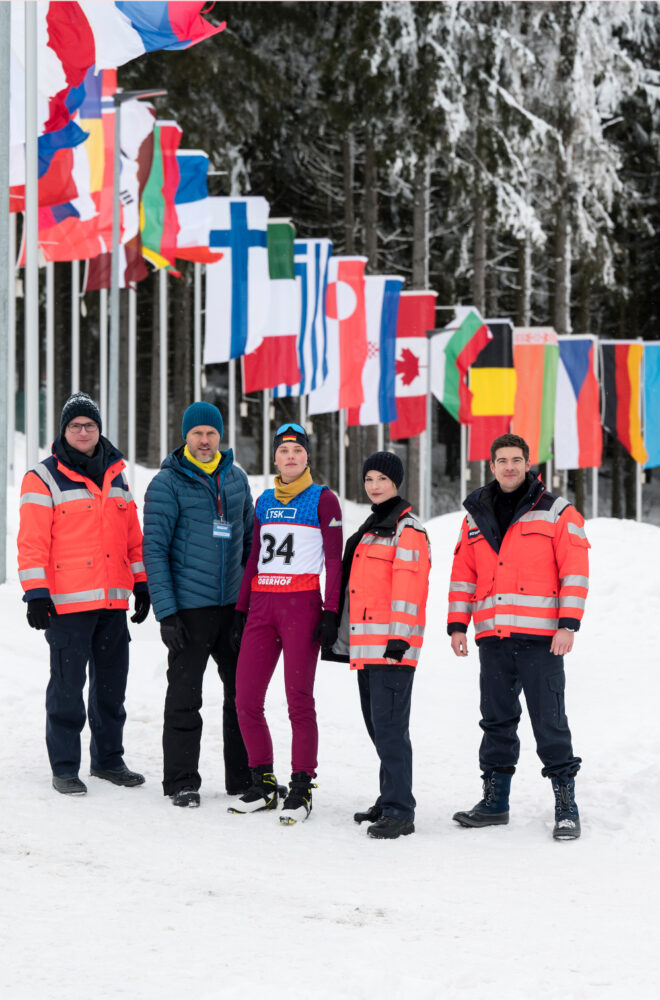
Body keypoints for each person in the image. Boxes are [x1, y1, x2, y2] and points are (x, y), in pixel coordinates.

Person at [448, 433, 589, 840]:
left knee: (550, 722)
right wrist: (458, 623)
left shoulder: (557, 511)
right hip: (492, 636)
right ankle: (495, 802)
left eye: (516, 459)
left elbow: (575, 571)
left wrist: (568, 624)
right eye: (502, 460)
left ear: (528, 464)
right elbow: (463, 574)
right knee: (496, 720)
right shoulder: (475, 514)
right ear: (490, 466)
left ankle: (566, 804)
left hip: (542, 638)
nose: (509, 466)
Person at [17, 392, 150, 795]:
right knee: (67, 689)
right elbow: (32, 542)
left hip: (112, 603)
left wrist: (141, 583)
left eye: (89, 425)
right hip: (67, 605)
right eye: (75, 425)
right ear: (64, 431)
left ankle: (108, 761)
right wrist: (36, 592)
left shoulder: (117, 476)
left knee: (111, 689)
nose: (83, 431)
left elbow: (132, 539)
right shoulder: (41, 478)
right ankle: (64, 767)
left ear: (99, 430)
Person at [230, 423, 343, 824]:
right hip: (262, 605)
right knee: (245, 699)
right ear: (274, 458)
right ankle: (262, 781)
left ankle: (301, 783)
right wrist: (241, 610)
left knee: (298, 700)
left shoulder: (323, 500)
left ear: (307, 457)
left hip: (301, 607)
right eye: (284, 451)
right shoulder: (264, 500)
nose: (290, 457)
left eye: (297, 450)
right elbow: (254, 558)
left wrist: (331, 612)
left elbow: (334, 561)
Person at [143, 401, 254, 808]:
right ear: (185, 437)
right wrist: (167, 613)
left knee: (242, 696)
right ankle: (181, 781)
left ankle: (243, 778)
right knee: (185, 697)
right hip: (188, 610)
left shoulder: (237, 480)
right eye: (197, 434)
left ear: (219, 437)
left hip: (232, 610)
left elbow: (248, 545)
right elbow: (153, 550)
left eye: (211, 434)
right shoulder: (167, 484)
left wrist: (246, 604)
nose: (204, 441)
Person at [325, 451, 431, 840]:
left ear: (396, 483)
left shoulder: (407, 529)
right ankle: (389, 799)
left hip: (391, 648)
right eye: (369, 478)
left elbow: (410, 588)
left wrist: (399, 640)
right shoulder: (374, 526)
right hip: (366, 647)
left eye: (382, 479)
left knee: (390, 729)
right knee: (378, 728)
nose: (374, 485)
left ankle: (401, 811)